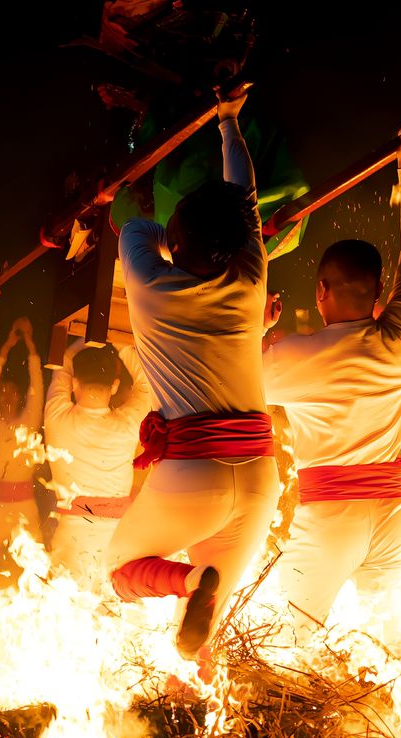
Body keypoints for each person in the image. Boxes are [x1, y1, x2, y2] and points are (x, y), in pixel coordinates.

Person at [107, 87, 279, 660]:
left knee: (120, 567)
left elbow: (137, 226)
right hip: (254, 477)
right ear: (235, 246)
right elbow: (245, 201)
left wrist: (229, 118)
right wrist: (230, 123)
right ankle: (192, 631)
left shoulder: (151, 280)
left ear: (175, 239)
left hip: (213, 476)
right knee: (203, 624)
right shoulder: (250, 272)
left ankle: (186, 582)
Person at [263, 137, 401, 644]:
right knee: (390, 651)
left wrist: (257, 330)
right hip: (395, 514)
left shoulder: (290, 359)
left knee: (286, 646)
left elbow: (224, 376)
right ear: (378, 291)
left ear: (321, 291)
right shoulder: (400, 337)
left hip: (330, 520)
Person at [44, 341, 150, 589]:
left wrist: (84, 340)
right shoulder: (128, 424)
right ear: (114, 386)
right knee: (109, 615)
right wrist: (118, 343)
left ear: (74, 383)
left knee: (61, 613)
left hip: (70, 537)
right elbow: (146, 384)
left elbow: (63, 363)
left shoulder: (57, 416)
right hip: (116, 539)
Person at [0, 317, 44, 580]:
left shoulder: (28, 423)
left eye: (12, 392)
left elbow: (37, 388)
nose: (6, 396)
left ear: (20, 398)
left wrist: (31, 346)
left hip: (24, 506)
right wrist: (3, 351)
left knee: (36, 565)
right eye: (3, 392)